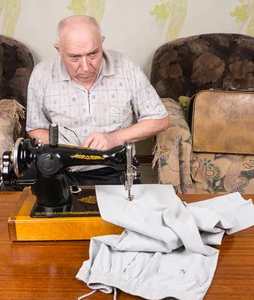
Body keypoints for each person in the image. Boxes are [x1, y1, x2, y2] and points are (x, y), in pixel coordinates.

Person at [22, 15, 169, 186]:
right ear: (59, 50)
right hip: (62, 170)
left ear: (102, 43)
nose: (85, 66)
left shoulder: (126, 67)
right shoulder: (42, 75)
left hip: (114, 170)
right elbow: (35, 128)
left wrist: (114, 139)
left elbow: (160, 119)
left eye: (93, 53)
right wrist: (66, 150)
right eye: (74, 57)